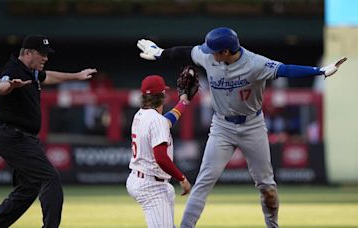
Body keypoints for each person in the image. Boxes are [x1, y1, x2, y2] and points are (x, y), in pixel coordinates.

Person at [136, 27, 347, 228]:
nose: (208, 53)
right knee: (203, 182)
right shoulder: (209, 56)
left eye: (214, 50)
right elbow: (186, 52)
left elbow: (285, 70)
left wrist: (319, 71)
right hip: (221, 126)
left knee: (267, 187)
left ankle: (272, 225)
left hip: (252, 126)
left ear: (226, 51)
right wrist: (160, 53)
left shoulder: (255, 64)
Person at [0, 34, 97, 228]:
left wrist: (77, 75)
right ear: (27, 53)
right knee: (49, 178)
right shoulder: (12, 69)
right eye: (42, 54)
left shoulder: (32, 71)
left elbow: (50, 76)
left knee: (29, 188)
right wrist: (9, 86)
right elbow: (1, 86)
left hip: (18, 136)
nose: (46, 57)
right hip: (13, 136)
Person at [126, 74, 192, 228]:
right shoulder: (156, 120)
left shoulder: (140, 115)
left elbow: (167, 121)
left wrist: (183, 102)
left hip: (141, 178)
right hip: (151, 186)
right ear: (162, 95)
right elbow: (161, 157)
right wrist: (182, 179)